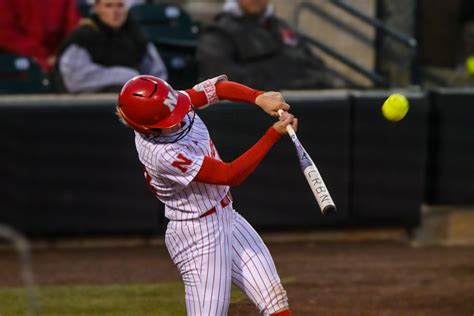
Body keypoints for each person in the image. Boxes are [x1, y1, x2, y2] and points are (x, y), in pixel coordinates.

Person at [116, 74, 294, 316]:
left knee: (275, 301)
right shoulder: (162, 155)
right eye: (170, 119)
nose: (179, 117)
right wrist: (273, 134)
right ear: (149, 127)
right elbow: (230, 175)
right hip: (198, 235)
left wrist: (258, 97)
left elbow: (217, 89)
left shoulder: (168, 105)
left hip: (227, 215)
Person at [196, 0, 331, 91]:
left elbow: (315, 66)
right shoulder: (218, 35)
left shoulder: (282, 28)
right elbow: (222, 82)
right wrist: (282, 76)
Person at [55, 0, 167, 93]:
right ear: (97, 8)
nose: (115, 12)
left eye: (120, 5)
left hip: (135, 104)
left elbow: (158, 74)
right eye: (108, 6)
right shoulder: (83, 36)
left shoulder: (136, 35)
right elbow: (75, 81)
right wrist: (128, 76)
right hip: (88, 108)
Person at [0, 0, 80, 72]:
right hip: (16, 63)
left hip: (60, 62)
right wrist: (41, 55)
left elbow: (72, 29)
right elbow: (5, 33)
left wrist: (61, 56)